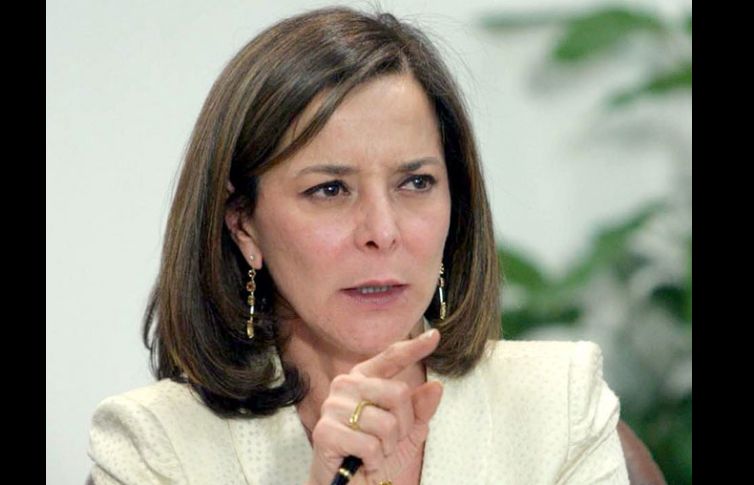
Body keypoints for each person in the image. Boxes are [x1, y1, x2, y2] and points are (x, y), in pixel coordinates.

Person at [87, 6, 629, 485]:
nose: (383, 231)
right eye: (330, 189)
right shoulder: (153, 445)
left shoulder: (558, 403)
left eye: (415, 182)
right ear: (243, 224)